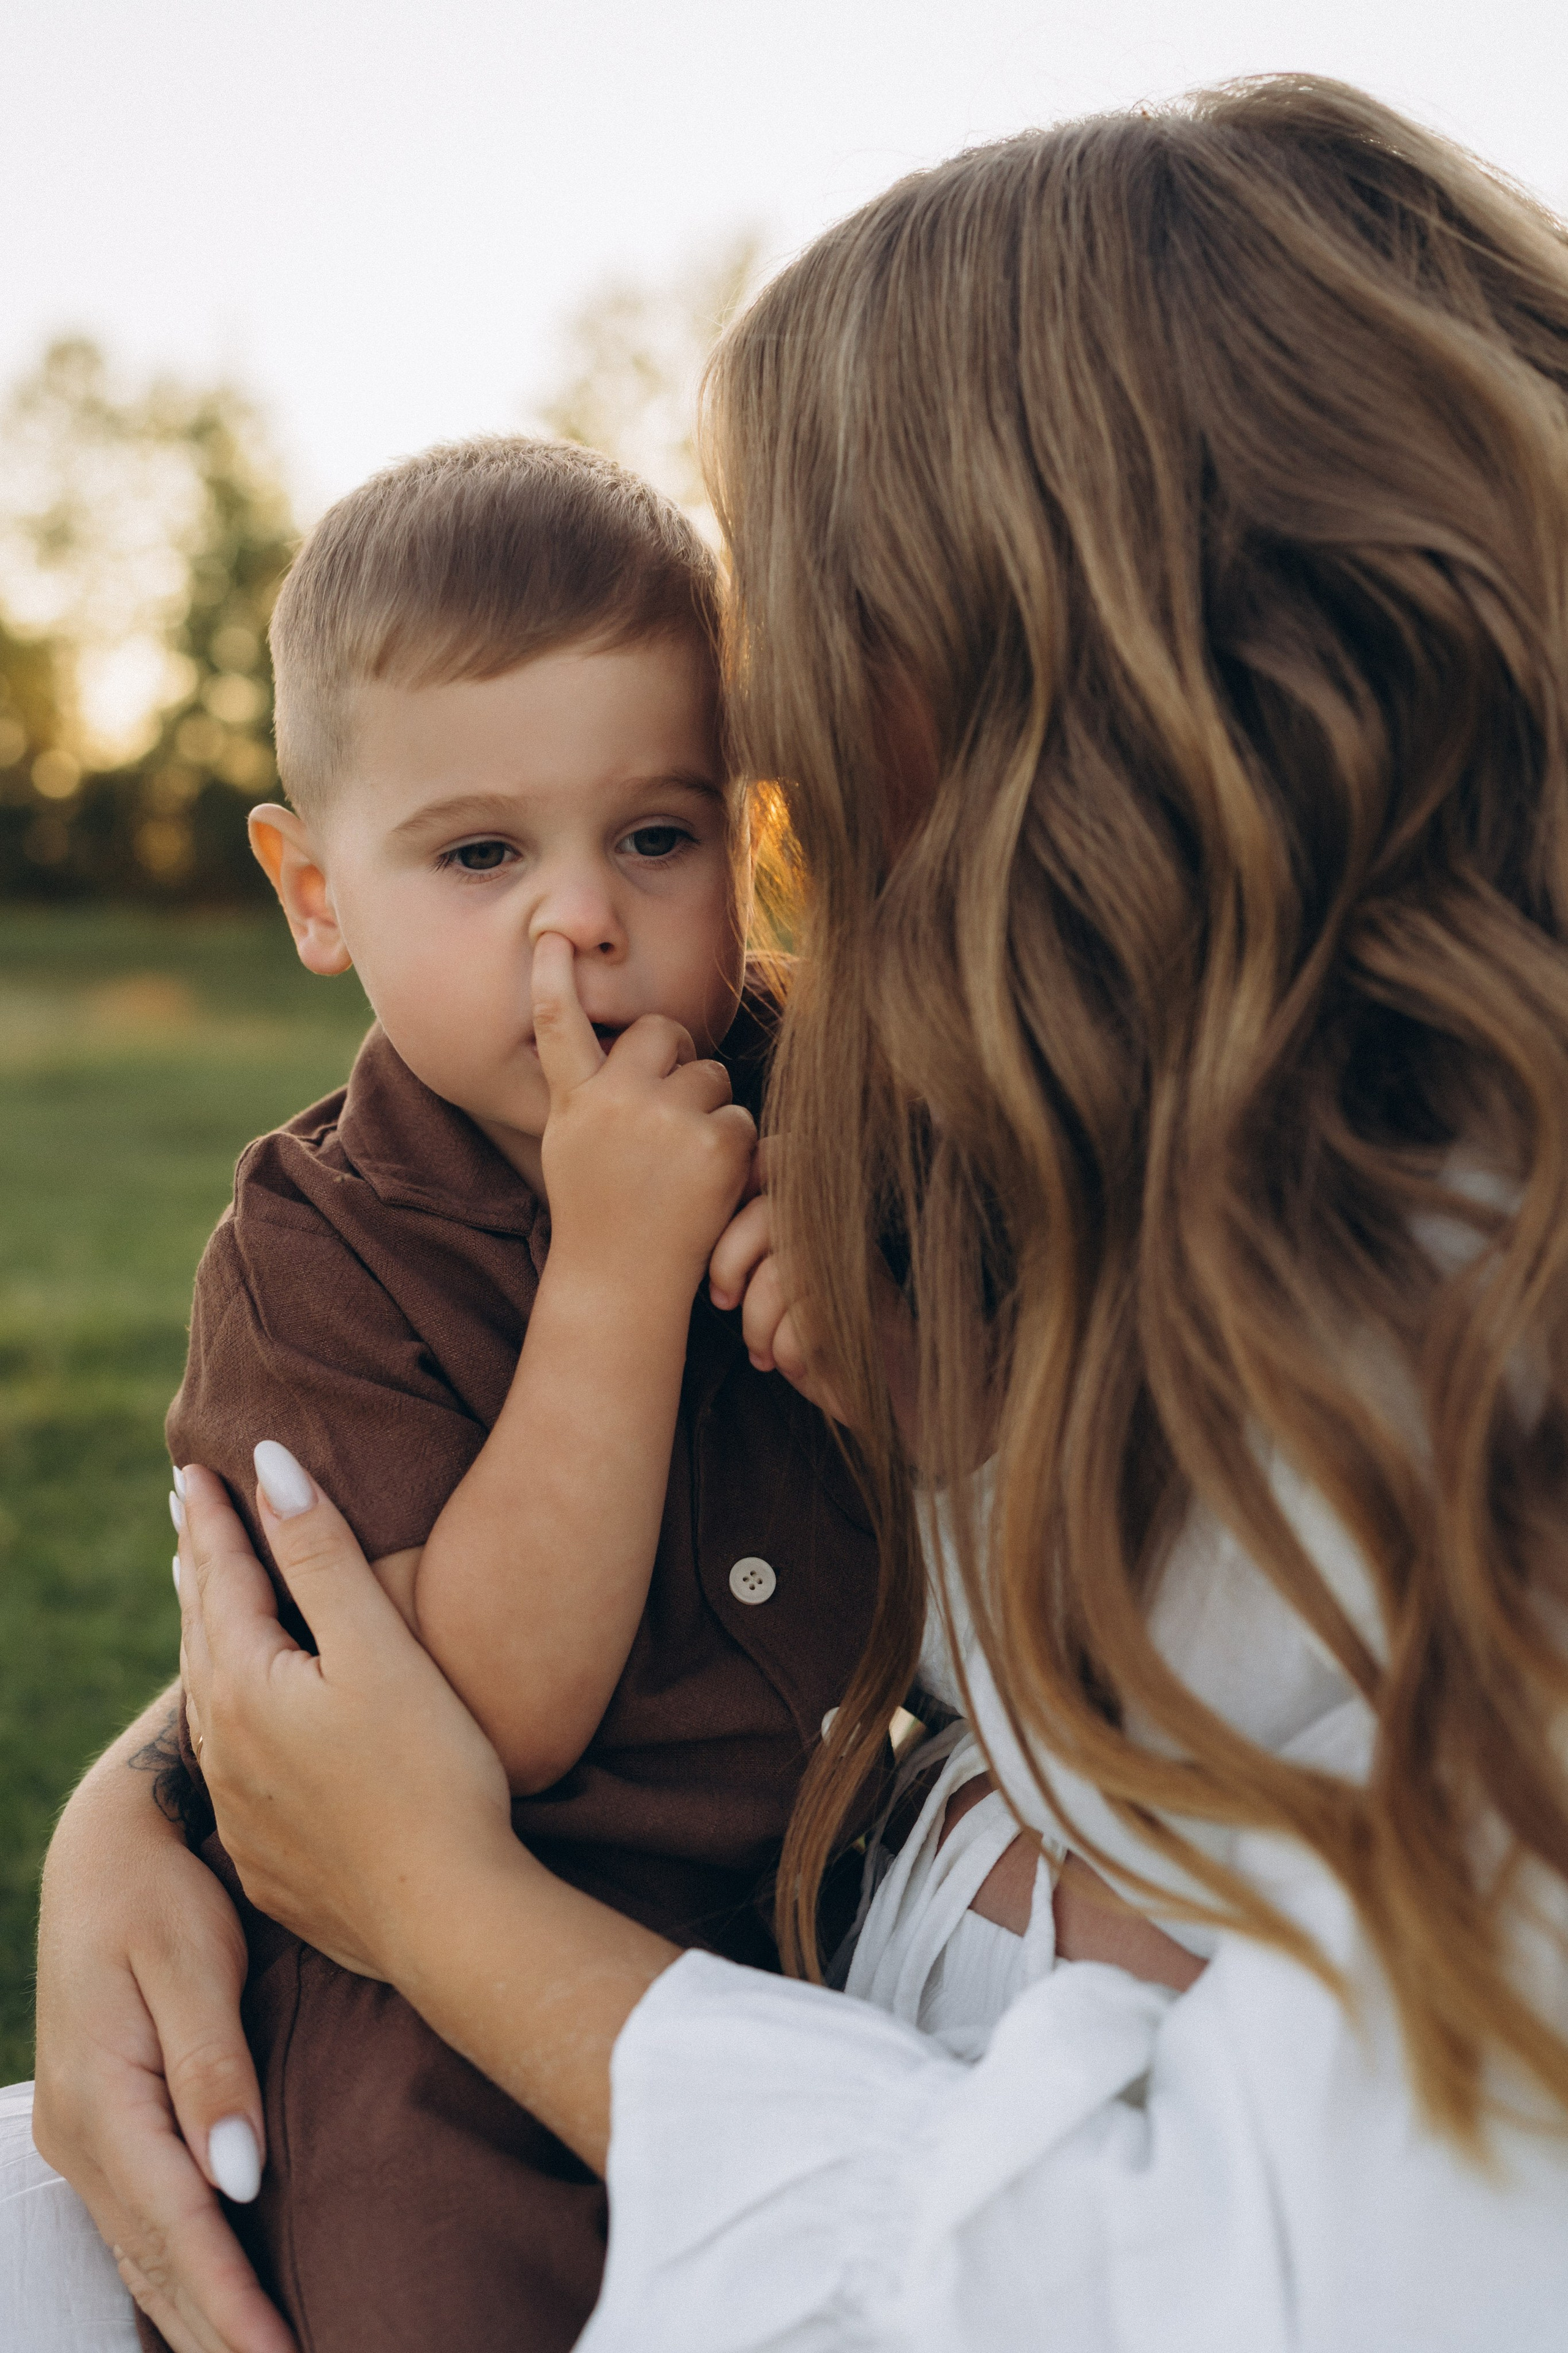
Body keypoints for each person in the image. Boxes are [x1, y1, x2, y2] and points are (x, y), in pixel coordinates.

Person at [15, 69, 1568, 2351]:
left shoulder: (1471, 1420)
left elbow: (1190, 2283)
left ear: (1072, 713)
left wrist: (449, 1909)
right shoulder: (1093, 1156)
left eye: (710, 785)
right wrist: (152, 1792)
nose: (763, 823)